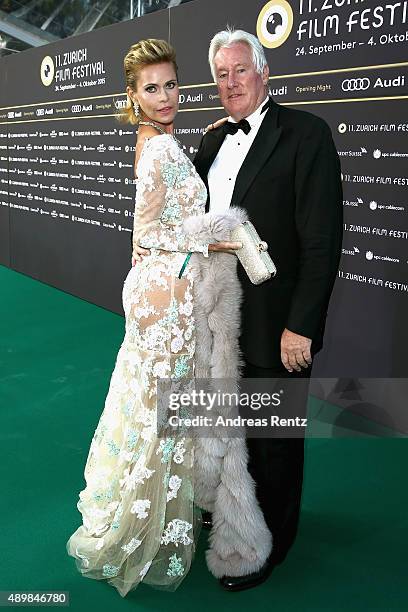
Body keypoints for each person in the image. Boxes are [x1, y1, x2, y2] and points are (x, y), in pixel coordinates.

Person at [135, 28, 343, 591]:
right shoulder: (208, 143)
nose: (231, 83)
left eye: (241, 71)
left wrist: (302, 325)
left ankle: (270, 542)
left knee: (274, 438)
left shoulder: (307, 134)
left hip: (276, 322)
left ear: (264, 74)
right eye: (221, 75)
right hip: (211, 318)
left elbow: (322, 241)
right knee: (222, 429)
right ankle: (224, 519)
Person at [66, 38, 271, 598]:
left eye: (171, 85)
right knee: (165, 408)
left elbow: (143, 232)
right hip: (169, 291)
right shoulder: (157, 148)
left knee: (157, 403)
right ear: (132, 95)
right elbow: (151, 230)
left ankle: (165, 507)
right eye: (150, 89)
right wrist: (218, 243)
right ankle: (145, 524)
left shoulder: (159, 140)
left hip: (165, 285)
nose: (164, 97)